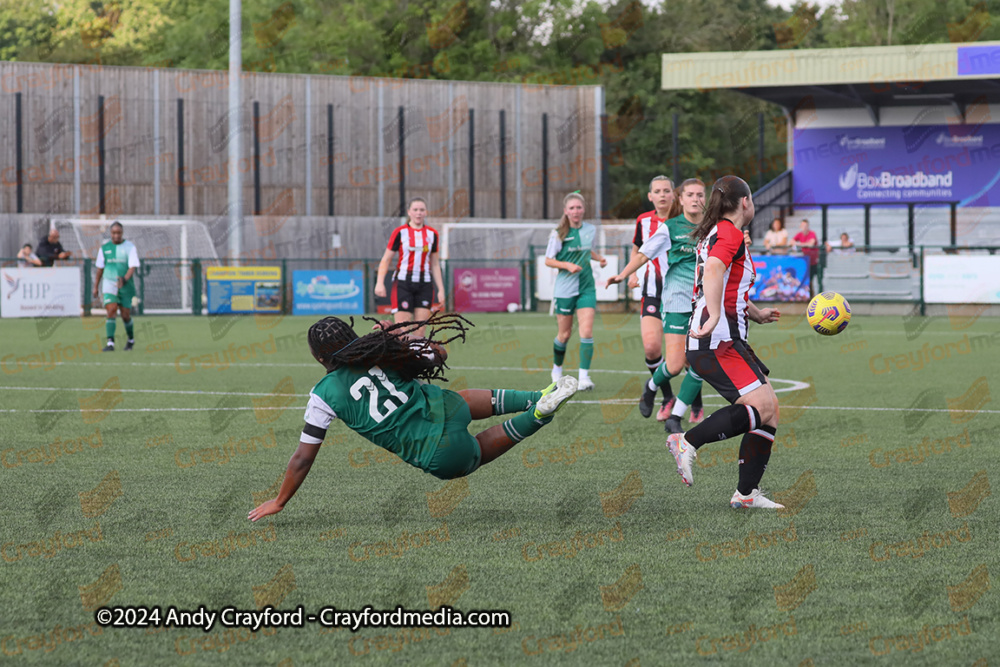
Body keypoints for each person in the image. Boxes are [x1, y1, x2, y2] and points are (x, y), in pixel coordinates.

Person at [247, 314, 578, 522]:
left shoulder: (323, 394)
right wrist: (398, 340)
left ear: (319, 357)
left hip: (437, 451)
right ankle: (537, 396)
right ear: (351, 337)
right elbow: (440, 354)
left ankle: (537, 415)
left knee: (476, 452)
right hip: (445, 405)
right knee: (461, 398)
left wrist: (279, 500)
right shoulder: (381, 350)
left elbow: (303, 458)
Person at [665, 175, 784, 509]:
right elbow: (714, 269)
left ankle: (746, 495)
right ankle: (686, 440)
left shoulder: (717, 232)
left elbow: (726, 283)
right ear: (745, 202)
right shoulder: (729, 232)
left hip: (722, 338)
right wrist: (715, 316)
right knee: (762, 408)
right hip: (717, 339)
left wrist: (756, 313)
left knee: (769, 412)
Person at [607, 178, 705, 431]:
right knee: (671, 361)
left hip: (705, 303)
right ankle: (652, 390)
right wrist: (624, 274)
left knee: (699, 361)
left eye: (700, 195)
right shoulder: (666, 226)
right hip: (671, 297)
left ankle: (678, 415)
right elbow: (641, 253)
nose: (695, 199)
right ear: (680, 198)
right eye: (690, 195)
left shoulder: (713, 226)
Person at [545, 192, 607, 391]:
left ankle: (584, 377)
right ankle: (556, 370)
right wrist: (566, 265)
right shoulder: (558, 232)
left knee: (586, 332)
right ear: (566, 211)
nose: (576, 211)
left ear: (583, 209)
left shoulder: (590, 229)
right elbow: (548, 260)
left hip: (587, 287)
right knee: (564, 334)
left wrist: (600, 259)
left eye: (578, 207)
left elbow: (586, 250)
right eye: (571, 208)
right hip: (565, 289)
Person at [626, 176, 675, 415]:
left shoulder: (684, 220)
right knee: (652, 348)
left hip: (681, 294)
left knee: (685, 357)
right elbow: (637, 248)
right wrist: (632, 272)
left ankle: (695, 404)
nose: (663, 195)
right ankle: (668, 398)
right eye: (658, 191)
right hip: (652, 292)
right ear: (650, 196)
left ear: (674, 194)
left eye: (667, 190)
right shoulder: (643, 220)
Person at [375, 198, 446, 339]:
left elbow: (435, 264)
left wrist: (441, 289)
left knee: (419, 333)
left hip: (424, 284)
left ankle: (417, 360)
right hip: (403, 283)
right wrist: (379, 282)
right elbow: (386, 259)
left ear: (426, 212)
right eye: (415, 210)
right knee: (402, 332)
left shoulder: (432, 234)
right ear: (409, 212)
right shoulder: (400, 232)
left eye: (421, 210)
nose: (418, 213)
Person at [92, 221, 140, 352]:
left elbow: (132, 267)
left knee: (125, 315)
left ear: (122, 233)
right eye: (114, 233)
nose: (116, 235)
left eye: (119, 233)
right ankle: (110, 343)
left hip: (125, 286)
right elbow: (100, 269)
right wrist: (96, 286)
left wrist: (124, 279)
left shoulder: (130, 247)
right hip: (109, 285)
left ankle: (130, 339)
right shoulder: (104, 248)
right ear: (110, 234)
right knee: (111, 310)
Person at [792, 219, 819, 295]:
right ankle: (810, 296)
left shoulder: (812, 233)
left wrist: (799, 244)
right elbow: (791, 241)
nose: (804, 227)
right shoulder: (799, 234)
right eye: (803, 225)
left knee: (818, 280)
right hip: (806, 262)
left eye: (806, 226)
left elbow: (811, 244)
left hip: (815, 262)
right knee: (808, 281)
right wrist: (803, 244)